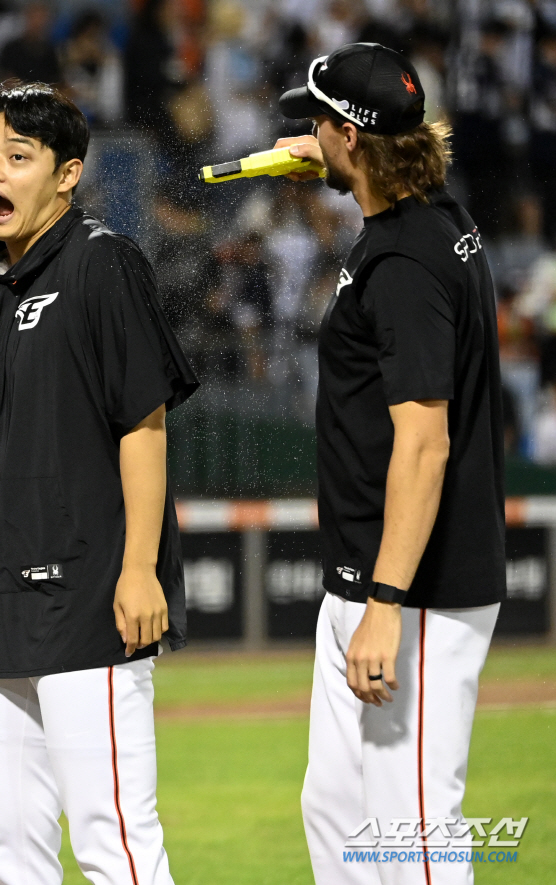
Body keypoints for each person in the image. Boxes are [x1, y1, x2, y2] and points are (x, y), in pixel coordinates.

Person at [0, 81, 198, 885]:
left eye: (17, 156)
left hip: (86, 605)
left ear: (67, 173)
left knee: (117, 847)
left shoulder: (101, 263)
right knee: (6, 854)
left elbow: (143, 426)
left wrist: (140, 568)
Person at [276, 43, 506, 884]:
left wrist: (384, 603)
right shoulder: (431, 217)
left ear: (348, 135)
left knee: (408, 829)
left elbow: (424, 441)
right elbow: (397, 169)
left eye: (317, 122)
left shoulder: (404, 263)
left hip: (412, 588)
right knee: (336, 811)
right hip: (374, 574)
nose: (304, 131)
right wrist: (331, 157)